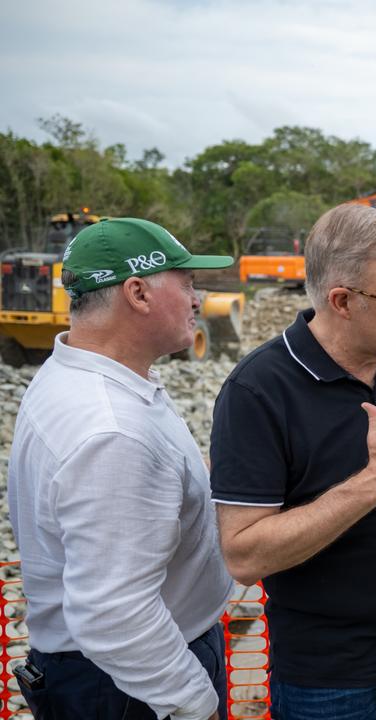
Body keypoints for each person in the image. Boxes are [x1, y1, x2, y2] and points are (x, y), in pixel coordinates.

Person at [209, 203, 376, 718]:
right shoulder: (257, 392)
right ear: (342, 301)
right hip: (329, 685)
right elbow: (244, 557)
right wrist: (374, 483)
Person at [8, 218, 235, 719]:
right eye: (187, 283)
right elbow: (114, 615)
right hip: (133, 685)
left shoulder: (74, 375)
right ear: (137, 292)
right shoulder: (112, 430)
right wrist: (193, 702)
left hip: (110, 674)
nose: (197, 300)